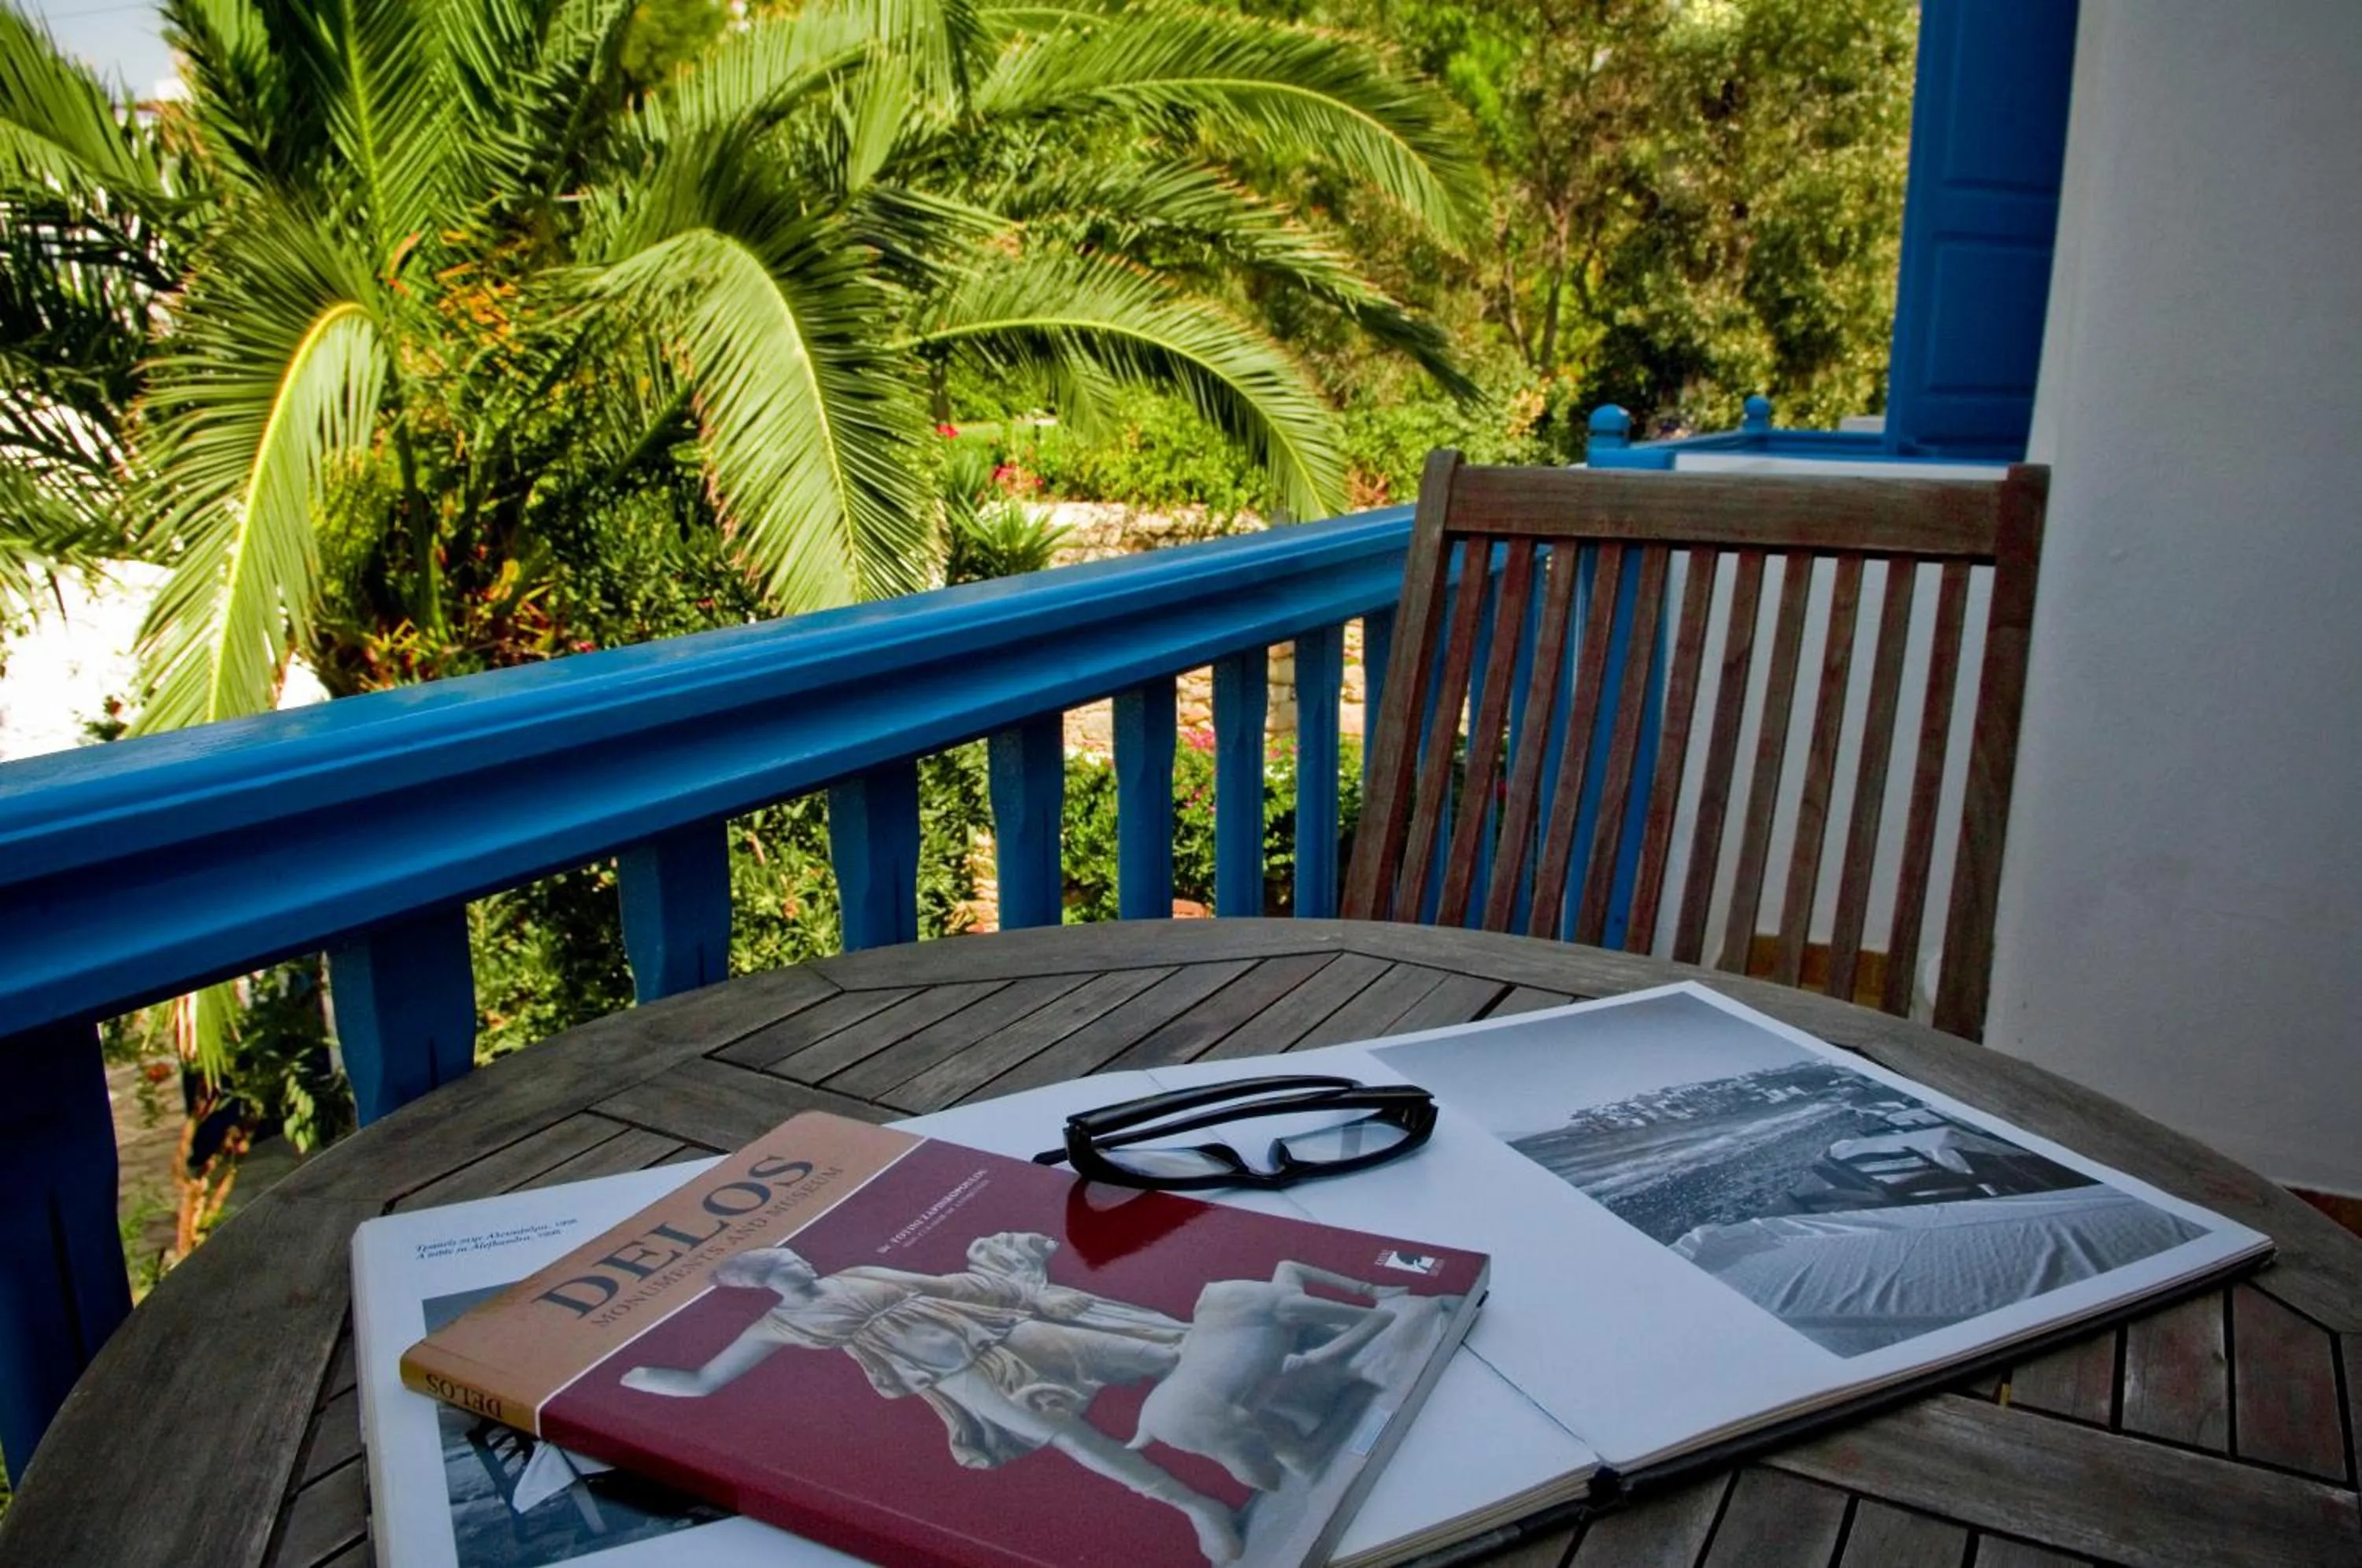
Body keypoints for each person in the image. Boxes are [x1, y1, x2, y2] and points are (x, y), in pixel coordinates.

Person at [620, 1233, 1244, 1564]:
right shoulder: (779, 1325)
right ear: (765, 1283)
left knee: (1155, 1356)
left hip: (1001, 1330)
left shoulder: (857, 1275)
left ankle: (1259, 1414)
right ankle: (1195, 1506)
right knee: (1072, 1439)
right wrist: (636, 1376)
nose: (801, 1264)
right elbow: (706, 1381)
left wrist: (1036, 1296)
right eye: (785, 1265)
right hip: (960, 1376)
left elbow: (946, 1286)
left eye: (796, 1256)